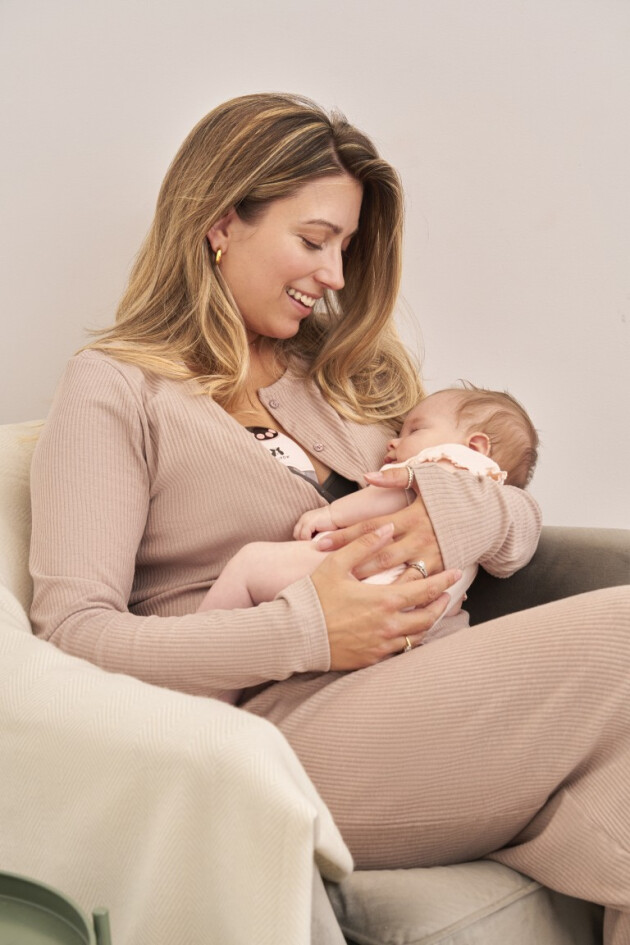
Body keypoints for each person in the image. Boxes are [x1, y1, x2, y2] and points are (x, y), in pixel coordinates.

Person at [28, 92, 630, 943]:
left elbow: (511, 508)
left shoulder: (345, 376)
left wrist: (455, 517)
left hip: (427, 687)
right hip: (278, 725)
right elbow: (72, 639)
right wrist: (304, 632)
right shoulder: (117, 386)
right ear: (220, 221)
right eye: (314, 242)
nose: (337, 276)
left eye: (345, 248)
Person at [198, 384, 538, 637]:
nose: (392, 441)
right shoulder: (483, 491)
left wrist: (331, 516)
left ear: (475, 446)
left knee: (249, 565)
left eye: (414, 430)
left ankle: (198, 686)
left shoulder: (450, 465)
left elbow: (388, 496)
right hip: (423, 616)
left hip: (371, 583)